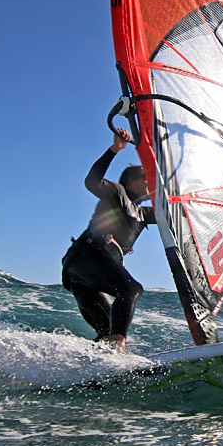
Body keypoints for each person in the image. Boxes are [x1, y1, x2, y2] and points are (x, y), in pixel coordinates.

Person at [60, 128, 154, 353]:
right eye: (146, 178)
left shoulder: (144, 213)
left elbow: (177, 214)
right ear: (132, 183)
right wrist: (115, 149)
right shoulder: (118, 192)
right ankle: (119, 349)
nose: (151, 182)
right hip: (87, 256)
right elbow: (92, 181)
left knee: (105, 332)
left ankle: (85, 370)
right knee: (130, 289)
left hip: (80, 274)